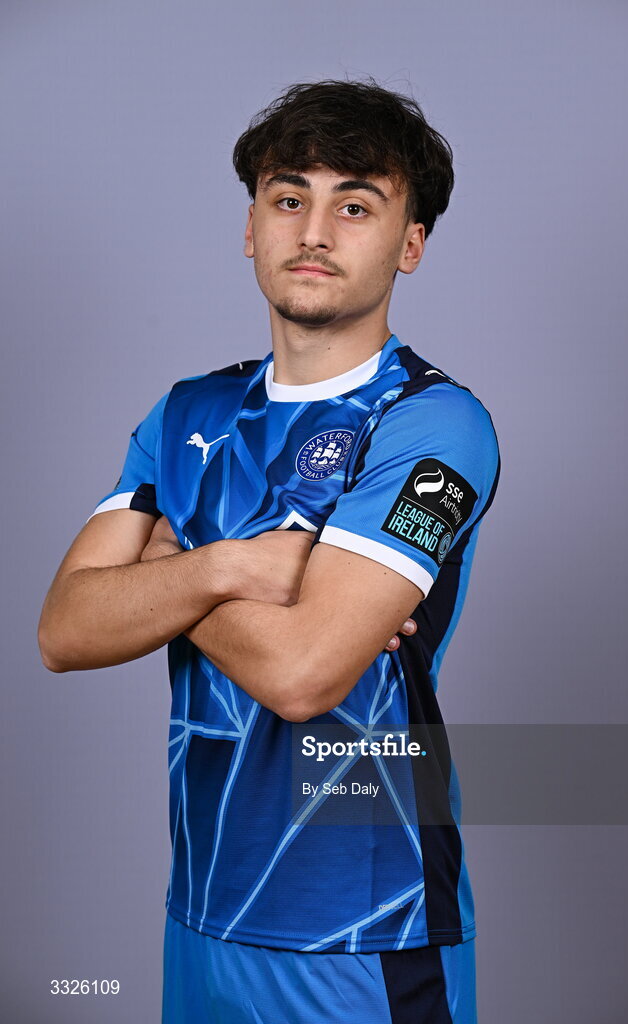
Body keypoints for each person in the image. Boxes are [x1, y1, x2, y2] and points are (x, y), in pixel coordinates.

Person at [38, 78, 500, 1024]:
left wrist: (153, 573)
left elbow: (301, 674)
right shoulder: (188, 411)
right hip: (200, 909)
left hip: (364, 922)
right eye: (289, 197)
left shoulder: (434, 425)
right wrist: (229, 564)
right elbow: (63, 630)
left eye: (356, 205)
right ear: (251, 226)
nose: (314, 230)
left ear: (409, 246)